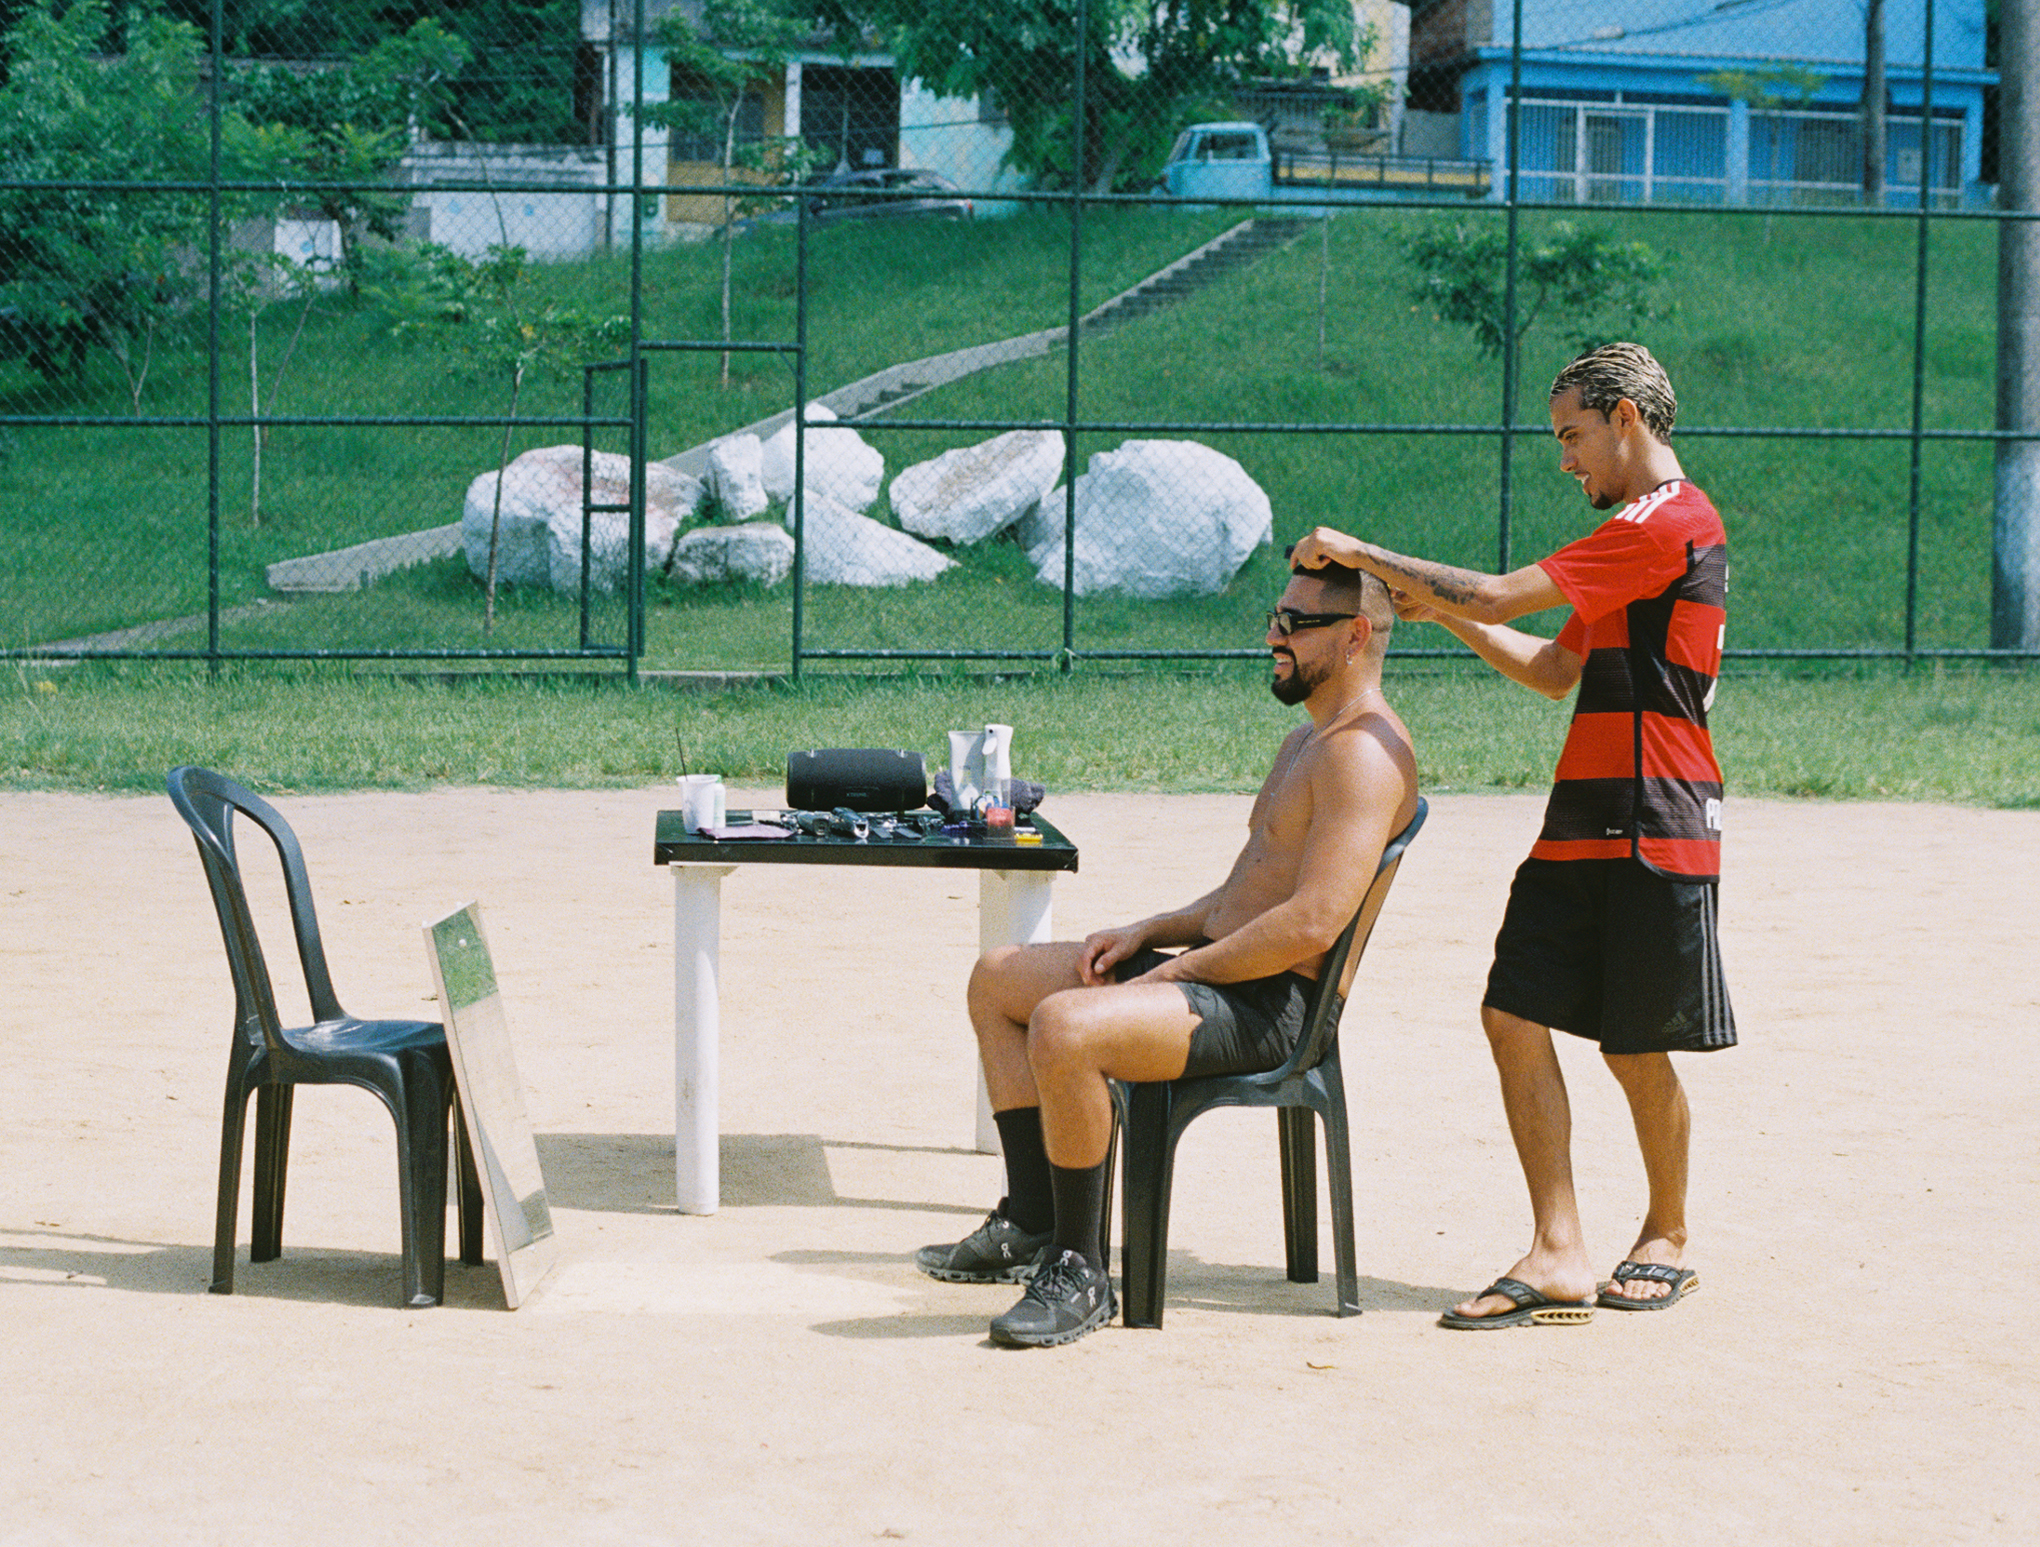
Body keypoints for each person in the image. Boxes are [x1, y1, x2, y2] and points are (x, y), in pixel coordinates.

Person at [1290, 340, 1734, 1329]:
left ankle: (1666, 1231)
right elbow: (1551, 668)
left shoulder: (1668, 522)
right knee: (1513, 1012)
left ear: (1626, 418)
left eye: (1573, 436)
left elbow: (1496, 592)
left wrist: (1363, 553)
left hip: (1656, 819)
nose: (1565, 459)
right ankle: (1560, 1248)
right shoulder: (1631, 537)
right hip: (1583, 817)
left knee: (1635, 1045)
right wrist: (1438, 613)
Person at [917, 558, 1419, 1347]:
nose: (1273, 635)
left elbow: (1311, 925)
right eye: (1276, 616)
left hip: (1272, 1007)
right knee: (999, 979)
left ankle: (1082, 1272)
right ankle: (1035, 1220)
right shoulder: (1306, 740)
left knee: (1064, 1026)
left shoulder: (1363, 755)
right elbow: (1243, 898)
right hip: (1224, 973)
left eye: (1295, 624)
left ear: (1354, 636)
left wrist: (1181, 968)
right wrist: (1151, 931)